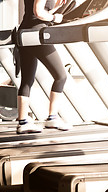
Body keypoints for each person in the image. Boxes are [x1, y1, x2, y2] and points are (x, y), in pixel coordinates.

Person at [16, 0, 71, 134]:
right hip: (37, 33)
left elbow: (34, 13)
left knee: (27, 79)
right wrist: (54, 18)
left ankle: (23, 122)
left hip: (25, 32)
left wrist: (56, 8)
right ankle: (52, 117)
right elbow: (38, 12)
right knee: (61, 76)